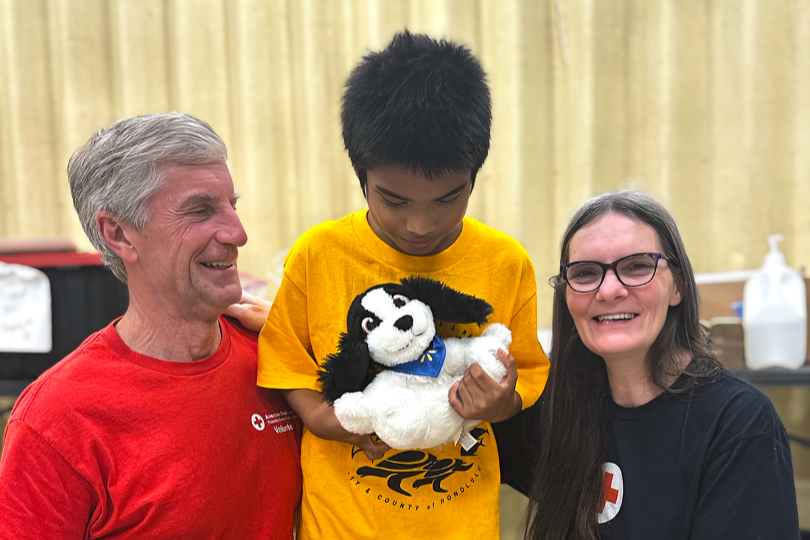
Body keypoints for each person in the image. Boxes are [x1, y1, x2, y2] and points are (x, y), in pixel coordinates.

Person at [257, 31, 549, 539]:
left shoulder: (505, 262)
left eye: (446, 199)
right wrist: (341, 424)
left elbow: (524, 375)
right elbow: (287, 369)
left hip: (463, 525)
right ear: (361, 175)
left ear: (474, 177)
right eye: (394, 201)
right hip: (342, 526)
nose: (420, 224)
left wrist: (500, 403)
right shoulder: (318, 255)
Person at [0, 113, 302, 539]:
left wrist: (304, 338)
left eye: (232, 205)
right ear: (119, 235)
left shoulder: (277, 356)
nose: (238, 233)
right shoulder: (56, 421)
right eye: (200, 210)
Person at [522, 190, 799, 540]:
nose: (609, 290)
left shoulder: (739, 425)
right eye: (586, 273)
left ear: (677, 287)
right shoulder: (556, 410)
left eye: (637, 266)